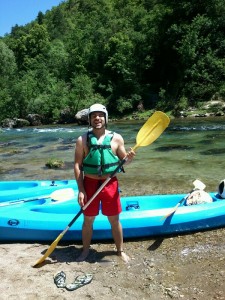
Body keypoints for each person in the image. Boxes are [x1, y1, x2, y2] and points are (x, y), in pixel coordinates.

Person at [74, 103, 135, 263]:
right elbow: (77, 165)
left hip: (110, 184)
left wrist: (129, 159)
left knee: (114, 220)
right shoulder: (82, 140)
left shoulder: (117, 138)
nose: (97, 118)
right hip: (90, 184)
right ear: (89, 119)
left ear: (105, 118)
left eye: (100, 115)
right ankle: (85, 250)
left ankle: (120, 250)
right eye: (93, 116)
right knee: (88, 220)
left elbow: (124, 161)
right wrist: (81, 190)